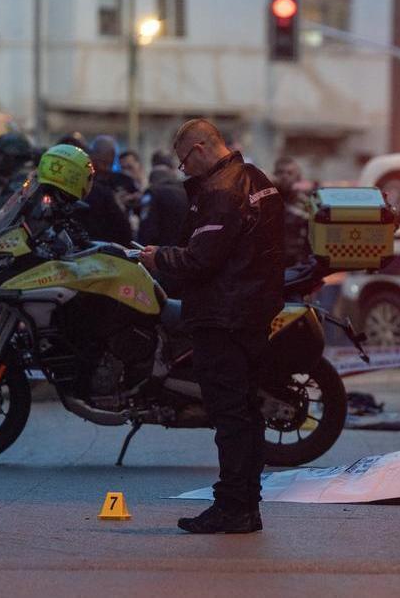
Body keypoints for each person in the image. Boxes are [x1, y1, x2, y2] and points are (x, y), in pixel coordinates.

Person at [139, 119, 284, 535]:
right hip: (252, 313)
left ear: (200, 148)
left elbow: (201, 259)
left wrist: (159, 258)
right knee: (247, 412)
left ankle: (233, 508)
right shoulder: (259, 179)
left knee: (230, 416)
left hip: (223, 317)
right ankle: (246, 505)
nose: (184, 170)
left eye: (184, 161)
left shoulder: (221, 191)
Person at [79, 135, 135, 245]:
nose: (105, 168)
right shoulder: (83, 181)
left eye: (109, 163)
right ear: (92, 156)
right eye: (102, 162)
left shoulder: (124, 181)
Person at [137, 151, 188, 247]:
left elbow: (146, 230)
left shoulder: (152, 193)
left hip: (158, 254)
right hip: (181, 253)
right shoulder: (186, 191)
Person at [273, 156, 311, 266]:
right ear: (274, 174)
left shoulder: (305, 203)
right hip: (272, 263)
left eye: (289, 173)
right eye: (280, 172)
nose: (284, 176)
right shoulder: (266, 201)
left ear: (297, 177)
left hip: (297, 263)